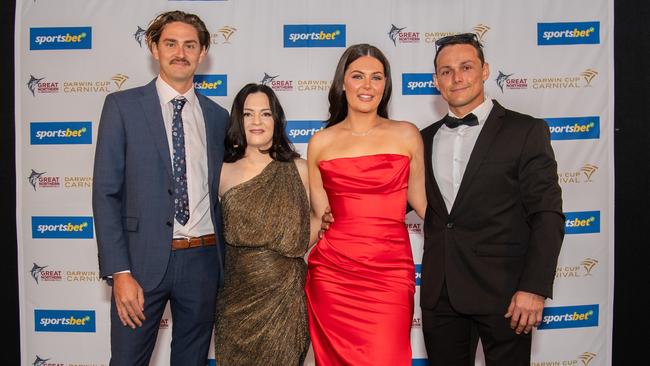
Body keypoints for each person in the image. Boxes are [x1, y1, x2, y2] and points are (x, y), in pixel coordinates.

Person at [92, 11, 229, 366]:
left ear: (202, 54)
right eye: (170, 43)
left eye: (190, 45)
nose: (180, 52)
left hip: (202, 260)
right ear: (154, 48)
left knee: (192, 360)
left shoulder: (218, 118)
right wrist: (119, 272)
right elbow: (106, 194)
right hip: (139, 264)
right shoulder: (122, 107)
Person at [419, 33, 564, 365]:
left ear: (485, 70)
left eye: (466, 67)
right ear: (435, 81)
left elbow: (547, 215)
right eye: (446, 71)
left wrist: (534, 287)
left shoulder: (525, 131)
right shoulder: (422, 139)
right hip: (440, 296)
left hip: (507, 294)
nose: (456, 78)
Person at [305, 43, 427, 365]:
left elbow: (425, 205)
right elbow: (321, 217)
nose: (367, 86)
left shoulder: (406, 135)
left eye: (377, 77)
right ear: (342, 83)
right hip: (333, 274)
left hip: (390, 272)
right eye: (357, 76)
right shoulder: (320, 142)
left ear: (386, 85)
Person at [213, 83, 315, 364]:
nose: (256, 121)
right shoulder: (221, 172)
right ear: (238, 120)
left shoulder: (300, 168)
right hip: (236, 297)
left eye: (265, 114)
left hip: (286, 296)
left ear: (276, 119)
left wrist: (287, 251)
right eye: (248, 114)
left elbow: (322, 217)